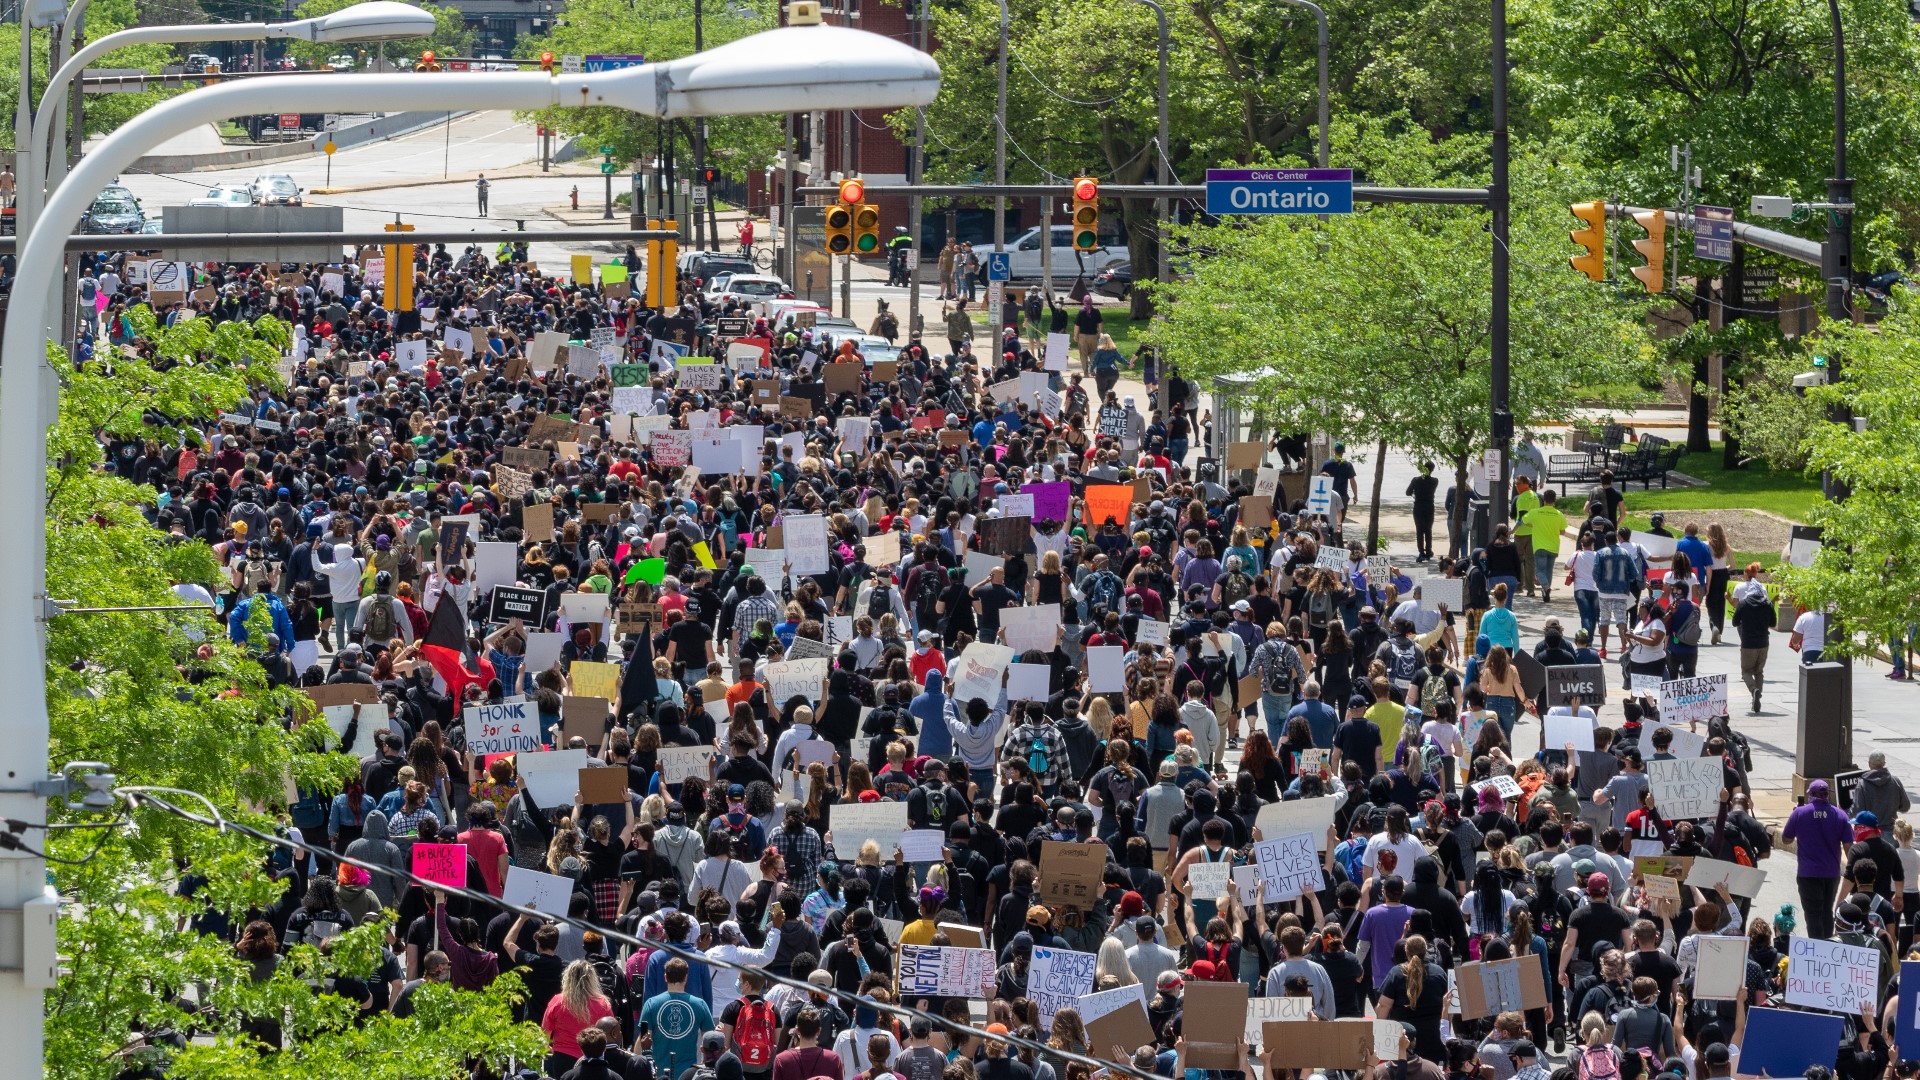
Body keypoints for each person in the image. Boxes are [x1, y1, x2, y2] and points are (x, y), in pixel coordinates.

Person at [1782, 778, 1853, 939]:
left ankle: (1816, 949)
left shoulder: (1799, 813)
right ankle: (1828, 944)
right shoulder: (1841, 815)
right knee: (1827, 912)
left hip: (1808, 873)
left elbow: (1786, 839)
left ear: (1811, 795)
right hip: (1831, 873)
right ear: (1828, 795)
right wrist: (1853, 871)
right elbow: (1849, 847)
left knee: (1813, 914)